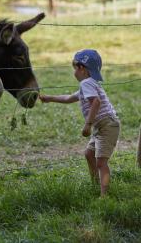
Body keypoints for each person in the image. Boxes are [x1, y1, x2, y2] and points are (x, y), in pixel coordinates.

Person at [39, 49, 120, 196]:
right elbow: (69, 98)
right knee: (89, 154)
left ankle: (104, 196)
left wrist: (87, 124)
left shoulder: (86, 84)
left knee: (101, 162)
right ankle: (96, 186)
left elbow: (96, 102)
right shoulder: (89, 83)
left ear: (81, 68)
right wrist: (49, 98)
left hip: (106, 125)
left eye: (74, 69)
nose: (74, 72)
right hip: (103, 125)